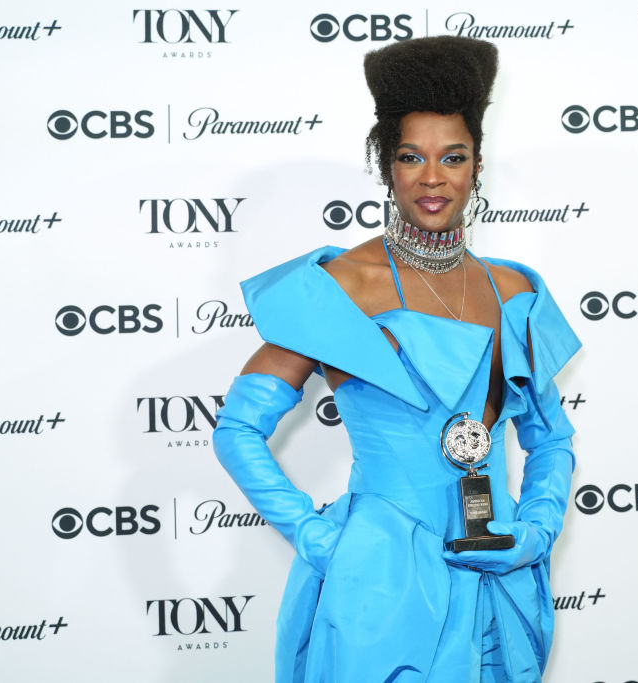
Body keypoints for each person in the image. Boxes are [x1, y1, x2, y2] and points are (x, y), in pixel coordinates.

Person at [213, 36, 581, 683]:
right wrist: (320, 537)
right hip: (380, 586)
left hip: (494, 577)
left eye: (453, 156)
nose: (433, 177)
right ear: (386, 165)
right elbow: (238, 429)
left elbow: (551, 437)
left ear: (477, 165)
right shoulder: (343, 287)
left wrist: (537, 528)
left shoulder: (513, 291)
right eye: (412, 156)